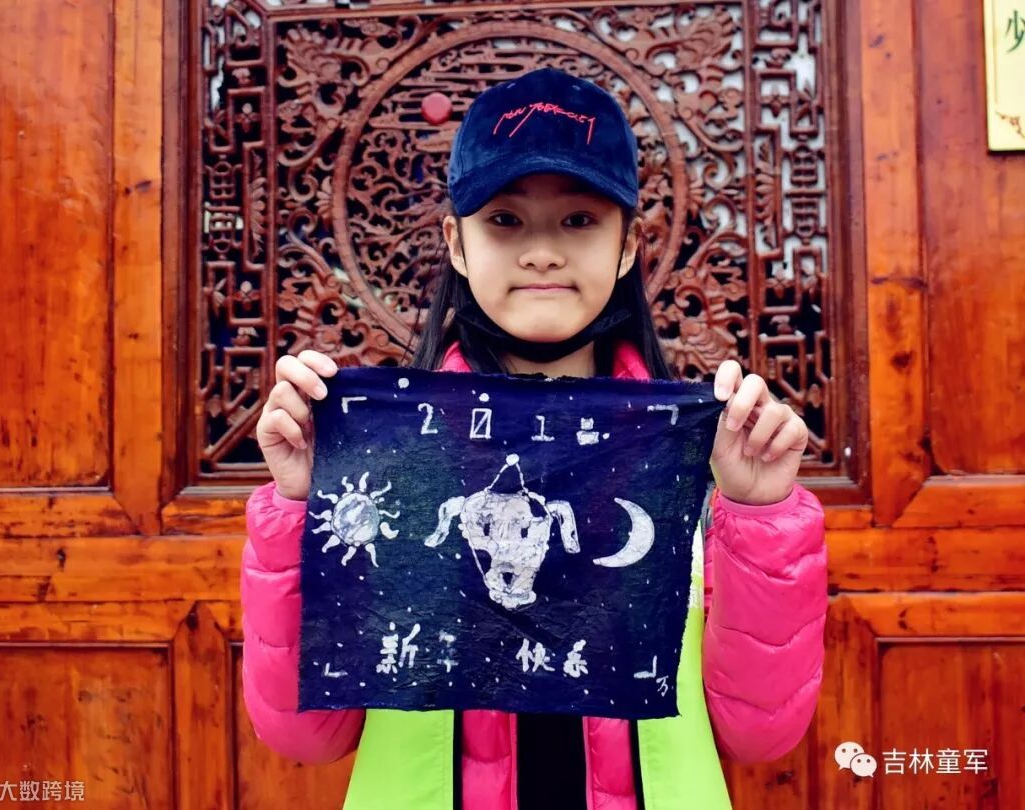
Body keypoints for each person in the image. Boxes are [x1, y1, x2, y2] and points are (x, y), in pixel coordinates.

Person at [240, 67, 827, 809]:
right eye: (505, 220)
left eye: (579, 220)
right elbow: (305, 735)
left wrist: (761, 514)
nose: (542, 252)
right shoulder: (384, 463)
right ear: (456, 243)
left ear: (628, 244)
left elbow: (759, 735)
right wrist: (305, 506)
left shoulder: (703, 455)